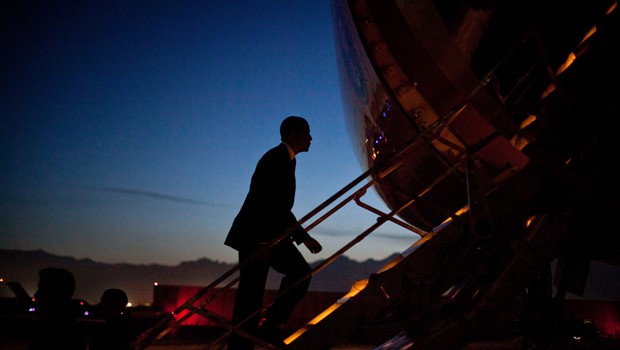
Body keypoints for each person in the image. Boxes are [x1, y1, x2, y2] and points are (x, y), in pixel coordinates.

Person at [225, 116, 323, 350]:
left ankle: (251, 337)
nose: (311, 138)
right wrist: (297, 237)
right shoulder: (276, 159)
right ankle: (268, 327)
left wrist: (302, 237)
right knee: (292, 277)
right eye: (306, 132)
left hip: (266, 236)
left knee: (251, 296)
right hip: (260, 237)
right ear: (292, 135)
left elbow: (278, 207)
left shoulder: (286, 160)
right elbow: (267, 204)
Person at [29, 267, 87, 350]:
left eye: (41, 289)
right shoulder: (73, 331)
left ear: (55, 293)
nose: (36, 295)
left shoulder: (49, 331)